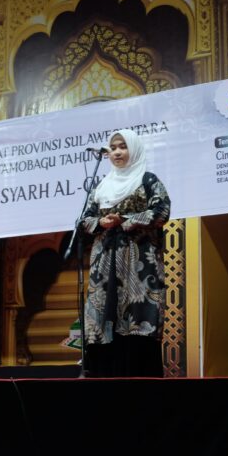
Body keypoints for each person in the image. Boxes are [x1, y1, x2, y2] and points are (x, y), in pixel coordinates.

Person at [79, 129, 170, 377]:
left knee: (136, 321)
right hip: (105, 260)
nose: (117, 152)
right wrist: (102, 222)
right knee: (102, 323)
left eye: (123, 146)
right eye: (113, 148)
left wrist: (125, 219)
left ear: (134, 149)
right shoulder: (102, 185)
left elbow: (161, 211)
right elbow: (83, 220)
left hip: (138, 262)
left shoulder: (148, 180)